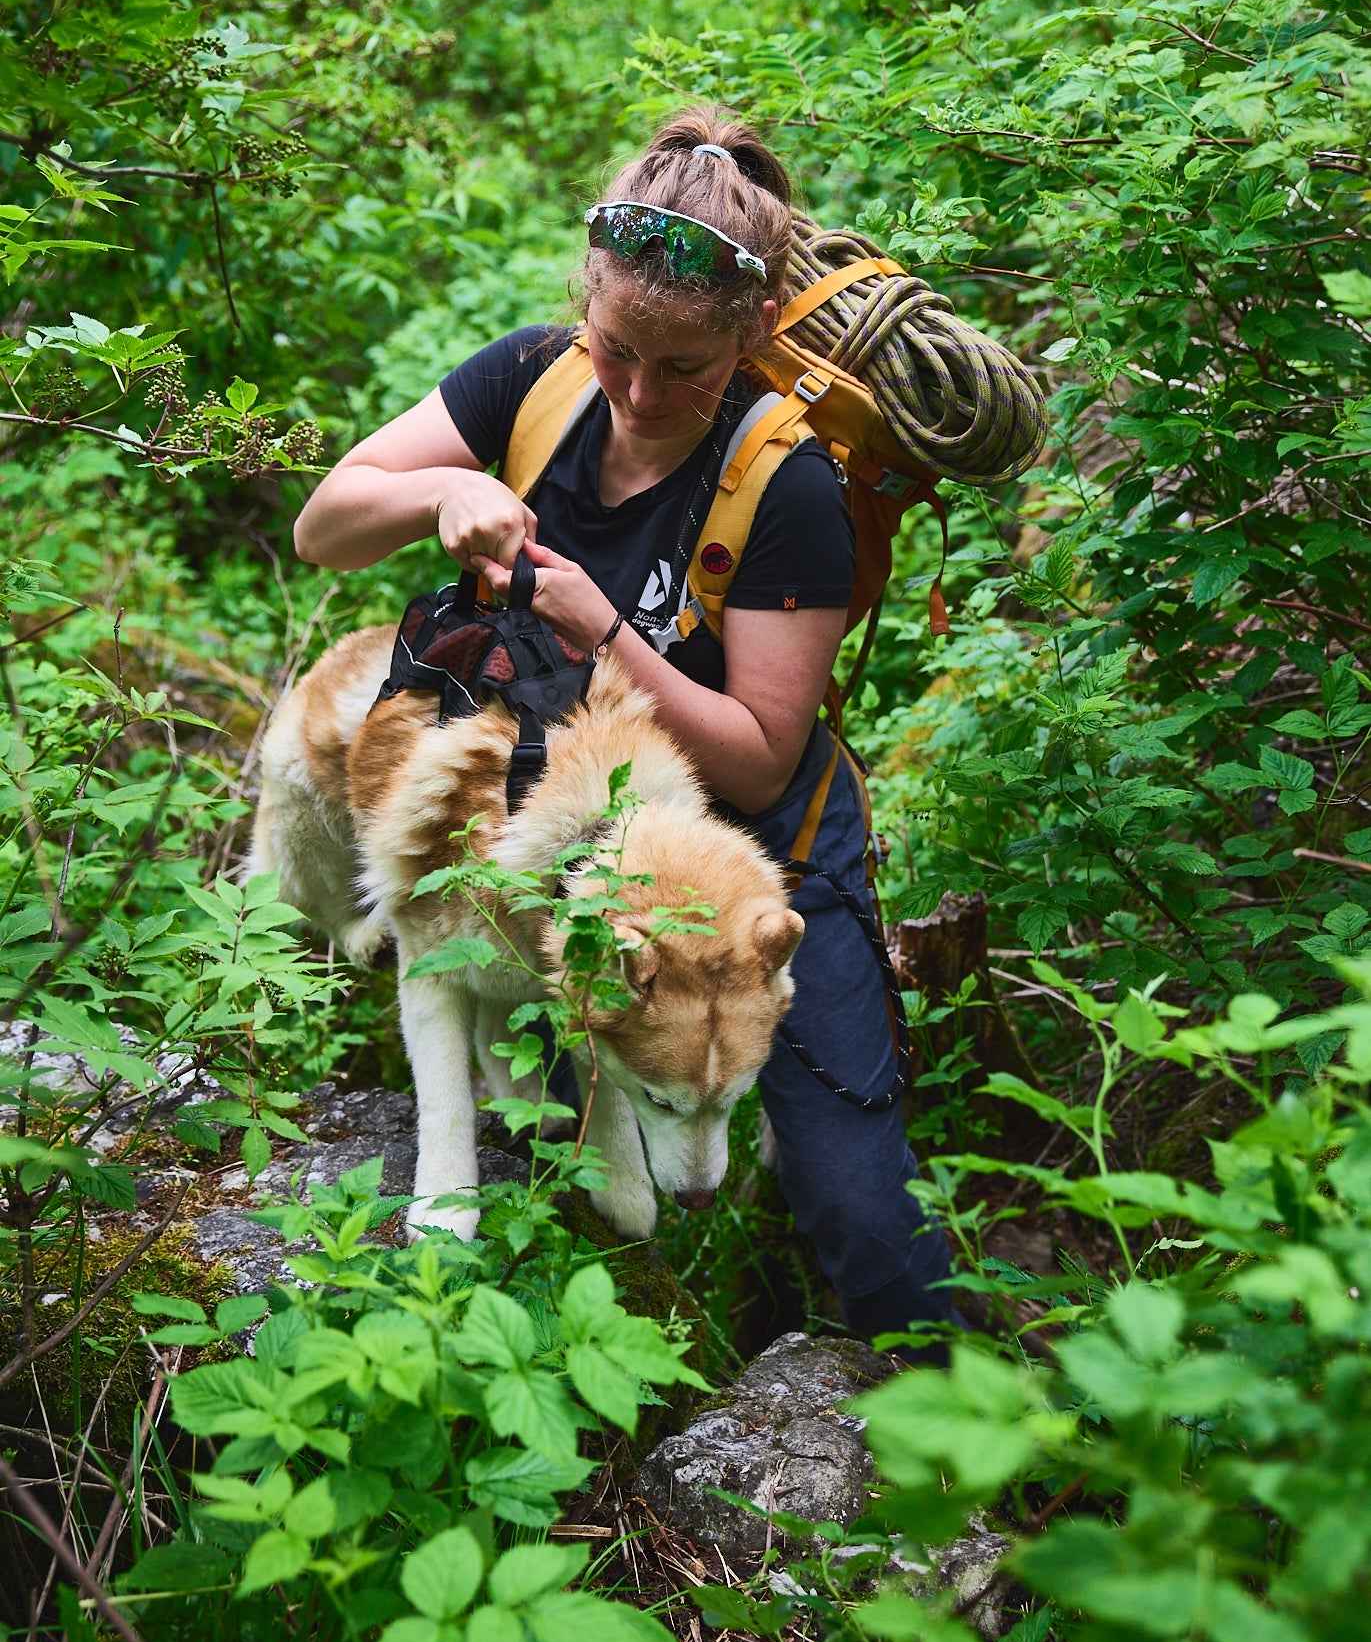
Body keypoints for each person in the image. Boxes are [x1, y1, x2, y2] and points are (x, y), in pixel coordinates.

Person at [293, 104, 956, 1353]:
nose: (641, 393)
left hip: (749, 860)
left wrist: (609, 631)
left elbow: (760, 754)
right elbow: (324, 526)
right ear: (583, 308)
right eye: (616, 351)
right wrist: (447, 486)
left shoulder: (786, 483)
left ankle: (944, 1434)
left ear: (750, 338)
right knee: (571, 1151)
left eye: (686, 369)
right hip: (553, 837)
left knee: (859, 1204)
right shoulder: (532, 382)